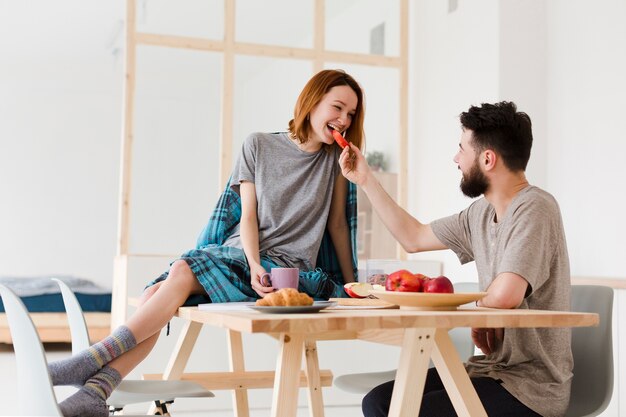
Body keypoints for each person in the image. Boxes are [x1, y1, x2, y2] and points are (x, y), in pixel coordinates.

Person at [49, 69, 365, 417]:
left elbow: (337, 225)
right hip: (242, 256)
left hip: (290, 269)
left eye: (351, 114)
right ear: (312, 102)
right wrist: (254, 262)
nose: (344, 120)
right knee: (159, 295)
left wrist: (352, 284)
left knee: (174, 279)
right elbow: (247, 216)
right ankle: (95, 391)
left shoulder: (337, 163)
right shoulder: (258, 144)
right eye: (337, 107)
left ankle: (91, 365)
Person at [339, 101, 572, 417]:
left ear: (487, 159)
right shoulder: (481, 213)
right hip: (489, 370)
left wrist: (477, 312)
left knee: (409, 410)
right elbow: (414, 237)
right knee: (379, 403)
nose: (456, 158)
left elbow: (505, 295)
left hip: (531, 388)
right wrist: (366, 180)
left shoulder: (535, 207)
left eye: (462, 149)